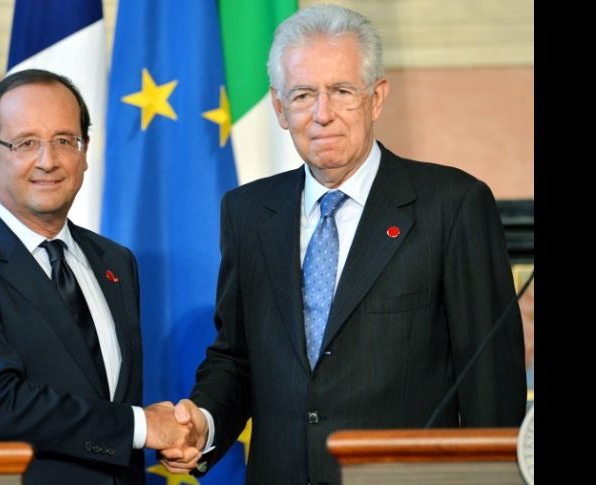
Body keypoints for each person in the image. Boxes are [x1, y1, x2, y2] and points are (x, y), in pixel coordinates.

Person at [160, 5, 527, 484]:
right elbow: (238, 357)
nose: (322, 115)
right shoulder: (248, 212)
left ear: (376, 98)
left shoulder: (452, 205)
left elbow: (490, 379)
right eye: (303, 94)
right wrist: (201, 427)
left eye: (341, 91)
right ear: (278, 107)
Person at [0, 69, 199, 484]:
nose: (48, 161)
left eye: (65, 141)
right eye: (26, 143)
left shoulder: (114, 262)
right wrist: (141, 427)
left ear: (84, 152)